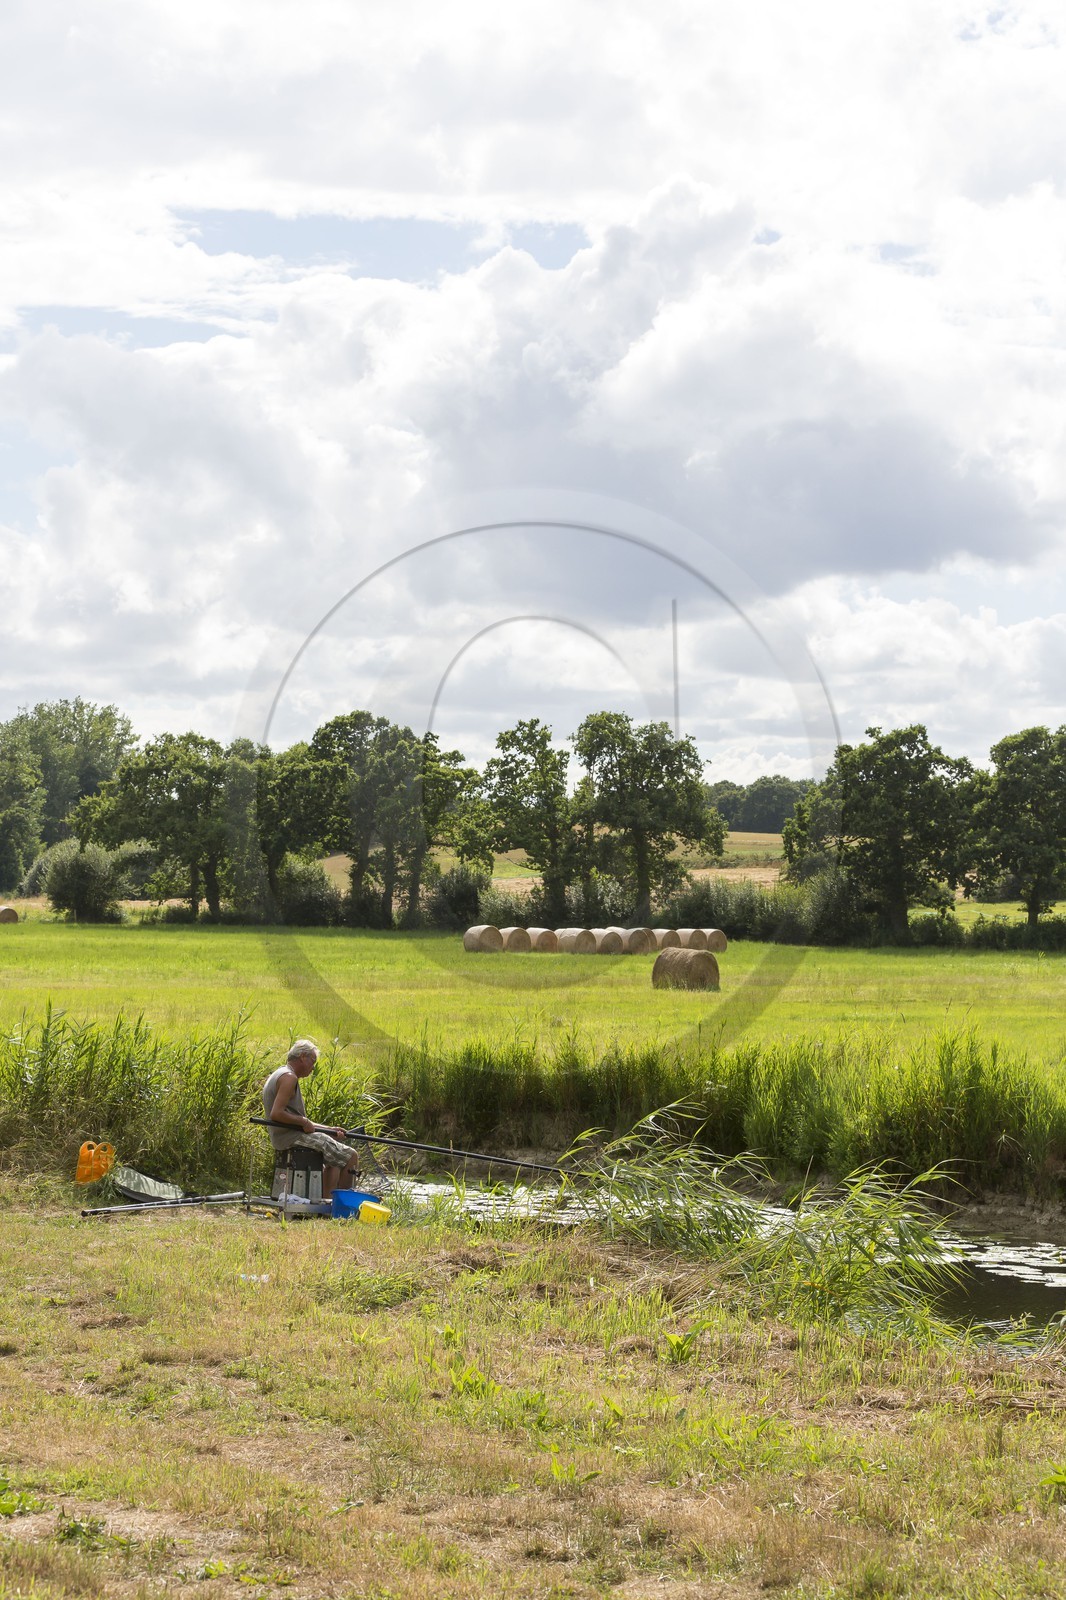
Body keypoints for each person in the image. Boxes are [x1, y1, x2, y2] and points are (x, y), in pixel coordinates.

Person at [261, 1039, 360, 1200]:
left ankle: (326, 1203)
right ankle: (345, 1207)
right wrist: (304, 1122)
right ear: (302, 1057)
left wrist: (329, 1130)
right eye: (312, 1061)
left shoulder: (280, 1073)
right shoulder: (289, 1078)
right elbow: (276, 1114)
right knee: (350, 1156)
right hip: (291, 1138)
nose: (313, 1067)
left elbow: (297, 1118)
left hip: (287, 1135)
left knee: (334, 1160)